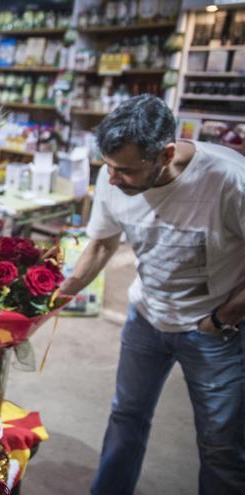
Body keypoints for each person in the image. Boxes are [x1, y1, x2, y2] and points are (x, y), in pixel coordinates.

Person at [59, 95, 245, 495]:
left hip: (215, 331)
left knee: (221, 444)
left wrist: (223, 317)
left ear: (166, 154)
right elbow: (103, 244)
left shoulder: (229, 179)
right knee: (126, 416)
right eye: (107, 166)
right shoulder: (114, 176)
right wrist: (63, 291)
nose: (111, 179)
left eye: (125, 170)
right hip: (145, 318)